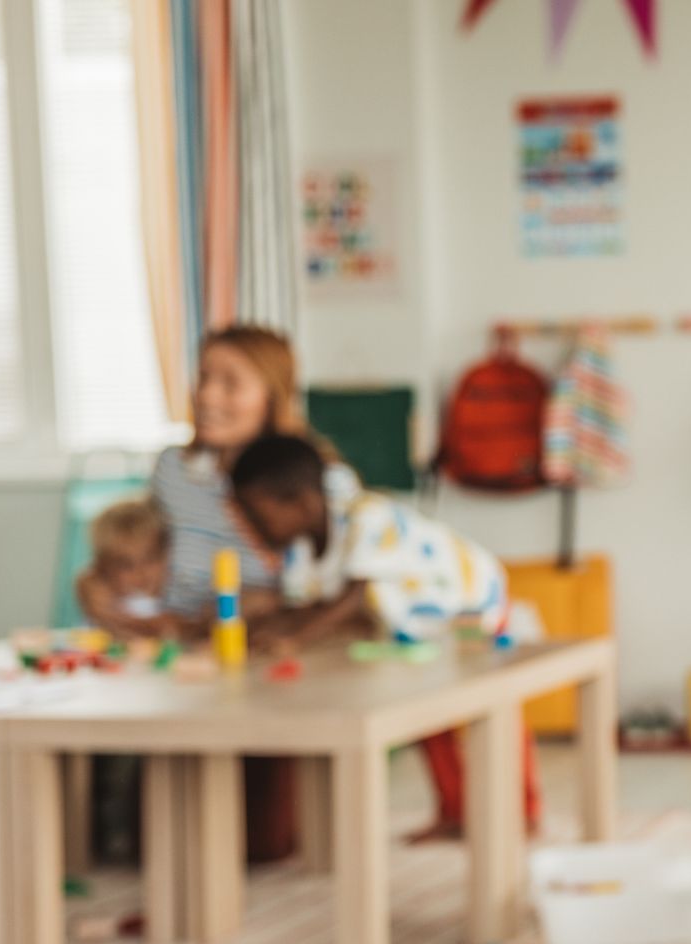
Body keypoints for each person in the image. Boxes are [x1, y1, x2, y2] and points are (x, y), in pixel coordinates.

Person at [228, 433, 538, 842]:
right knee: (433, 720)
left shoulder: (366, 517)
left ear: (300, 501)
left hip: (472, 600)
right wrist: (269, 627)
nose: (253, 527)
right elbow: (308, 605)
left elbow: (350, 600)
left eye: (258, 514)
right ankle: (455, 812)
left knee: (492, 708)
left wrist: (292, 640)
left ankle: (522, 811)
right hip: (418, 631)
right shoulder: (300, 552)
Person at [148, 324, 362, 862]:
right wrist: (102, 589)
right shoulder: (174, 470)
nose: (207, 395)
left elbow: (343, 586)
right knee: (151, 832)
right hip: (184, 647)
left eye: (230, 382)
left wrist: (274, 608)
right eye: (203, 378)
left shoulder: (321, 480)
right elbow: (144, 553)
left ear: (272, 394)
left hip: (271, 655)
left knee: (260, 843)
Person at [76, 498, 181, 641]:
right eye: (126, 565)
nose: (140, 572)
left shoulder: (176, 597)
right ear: (104, 569)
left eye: (150, 559)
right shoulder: (103, 602)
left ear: (167, 555)